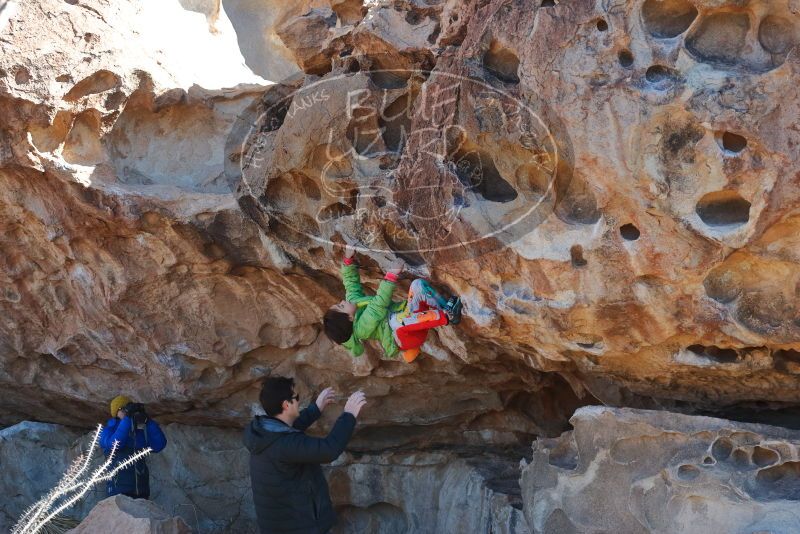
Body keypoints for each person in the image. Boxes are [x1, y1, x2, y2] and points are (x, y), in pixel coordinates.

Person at [243, 377, 367, 534]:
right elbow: (329, 449)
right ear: (286, 405)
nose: (298, 401)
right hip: (298, 526)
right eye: (296, 398)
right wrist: (349, 415)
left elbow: (288, 428)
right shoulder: (285, 445)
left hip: (278, 524)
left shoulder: (262, 431)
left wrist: (316, 408)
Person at [323, 245, 462, 362]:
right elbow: (378, 306)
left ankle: (448, 310)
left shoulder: (353, 302)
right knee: (395, 321)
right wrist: (391, 276)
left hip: (411, 319)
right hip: (406, 337)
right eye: (341, 306)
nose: (341, 301)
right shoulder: (361, 329)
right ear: (350, 318)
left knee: (417, 285)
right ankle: (445, 317)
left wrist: (348, 260)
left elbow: (350, 284)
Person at [99, 395, 167, 499]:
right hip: (118, 490)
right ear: (116, 412)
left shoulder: (139, 432)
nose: (127, 412)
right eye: (124, 409)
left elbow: (159, 445)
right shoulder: (108, 431)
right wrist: (127, 419)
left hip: (141, 491)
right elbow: (115, 444)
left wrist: (148, 422)